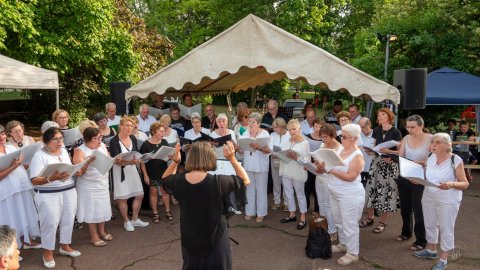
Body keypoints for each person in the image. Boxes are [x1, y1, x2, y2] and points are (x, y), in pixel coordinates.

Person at [162, 141, 250, 270]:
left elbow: (165, 178)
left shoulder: (178, 181)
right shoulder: (218, 181)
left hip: (190, 236)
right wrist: (232, 158)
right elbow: (245, 180)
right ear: (210, 157)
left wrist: (176, 161)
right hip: (216, 236)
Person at [413, 133, 469, 270]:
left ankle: (444, 258)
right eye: (433, 142)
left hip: (448, 198)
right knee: (430, 223)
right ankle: (431, 250)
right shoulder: (430, 157)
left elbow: (465, 183)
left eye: (438, 142)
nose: (433, 145)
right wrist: (417, 178)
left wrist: (451, 184)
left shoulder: (455, 160)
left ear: (447, 145)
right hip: (429, 195)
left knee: (446, 227)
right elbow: (427, 173)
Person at [30, 127, 81, 268]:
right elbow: (34, 179)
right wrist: (51, 178)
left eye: (61, 138)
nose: (60, 142)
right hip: (48, 195)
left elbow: (68, 168)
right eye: (56, 139)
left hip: (69, 190)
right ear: (47, 141)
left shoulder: (64, 151)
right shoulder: (39, 155)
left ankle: (65, 246)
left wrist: (75, 171)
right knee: (50, 223)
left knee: (68, 218)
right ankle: (47, 253)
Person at [317, 124, 365, 265]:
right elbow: (332, 167)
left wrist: (330, 170)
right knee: (338, 221)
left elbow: (350, 176)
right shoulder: (341, 150)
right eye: (341, 136)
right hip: (335, 191)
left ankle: (352, 253)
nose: (341, 138)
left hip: (350, 194)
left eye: (344, 136)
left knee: (350, 224)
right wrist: (323, 168)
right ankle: (343, 244)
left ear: (354, 138)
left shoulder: (358, 155)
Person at [0, 125, 41, 252]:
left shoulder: (10, 147)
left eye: (2, 134)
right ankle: (10, 251)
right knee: (9, 218)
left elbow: (21, 165)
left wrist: (25, 164)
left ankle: (26, 241)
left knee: (22, 215)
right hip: (6, 191)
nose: (1, 137)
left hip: (21, 187)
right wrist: (14, 166)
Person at [361, 108, 402, 233]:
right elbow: (375, 147)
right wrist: (371, 151)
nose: (380, 116)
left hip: (390, 165)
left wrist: (390, 153)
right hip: (377, 163)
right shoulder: (377, 130)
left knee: (386, 194)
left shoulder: (396, 131)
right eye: (378, 115)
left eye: (383, 114)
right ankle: (370, 218)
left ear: (389, 117)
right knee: (371, 190)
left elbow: (401, 151)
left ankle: (383, 222)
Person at [73, 127, 113, 247]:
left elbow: (108, 160)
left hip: (102, 183)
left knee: (102, 208)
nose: (99, 140)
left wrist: (115, 160)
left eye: (100, 137)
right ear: (87, 139)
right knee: (91, 210)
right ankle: (93, 236)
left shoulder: (102, 146)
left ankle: (101, 231)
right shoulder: (79, 150)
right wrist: (88, 162)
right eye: (95, 138)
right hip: (88, 186)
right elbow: (78, 173)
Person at [397, 115, 431, 251]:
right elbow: (401, 156)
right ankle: (406, 232)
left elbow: (435, 160)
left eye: (412, 127)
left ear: (421, 126)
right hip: (405, 175)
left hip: (421, 178)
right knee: (405, 208)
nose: (409, 130)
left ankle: (421, 240)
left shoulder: (431, 139)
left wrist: (419, 163)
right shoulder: (405, 138)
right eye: (407, 127)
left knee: (419, 210)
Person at [108, 117, 149, 232]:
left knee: (140, 194)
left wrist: (142, 158)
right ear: (121, 126)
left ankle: (135, 219)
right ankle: (126, 221)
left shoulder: (133, 138)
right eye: (127, 125)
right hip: (120, 172)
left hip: (132, 170)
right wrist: (131, 162)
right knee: (123, 198)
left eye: (131, 126)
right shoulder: (114, 141)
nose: (130, 128)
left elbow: (135, 153)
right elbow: (117, 161)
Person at [239, 112, 271, 222]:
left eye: (253, 122)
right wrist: (237, 148)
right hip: (248, 165)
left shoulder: (265, 134)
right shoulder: (245, 134)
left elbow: (269, 151)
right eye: (249, 121)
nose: (250, 124)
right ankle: (250, 212)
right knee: (249, 189)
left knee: (261, 190)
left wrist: (259, 148)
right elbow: (242, 151)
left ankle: (261, 213)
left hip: (261, 166)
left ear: (258, 123)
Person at [279, 119, 310, 230]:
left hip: (298, 171)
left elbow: (307, 161)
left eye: (294, 129)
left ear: (299, 129)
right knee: (288, 193)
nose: (292, 131)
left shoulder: (304, 142)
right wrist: (278, 155)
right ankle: (292, 214)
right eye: (290, 129)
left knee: (300, 194)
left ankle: (302, 217)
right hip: (286, 169)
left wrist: (296, 158)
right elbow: (282, 152)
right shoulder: (287, 140)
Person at [140, 122, 173, 223]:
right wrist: (145, 175)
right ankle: (155, 212)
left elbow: (168, 157)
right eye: (161, 131)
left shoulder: (164, 142)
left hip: (163, 171)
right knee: (153, 192)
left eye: (163, 131)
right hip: (151, 172)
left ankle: (168, 211)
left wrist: (170, 157)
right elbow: (142, 161)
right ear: (154, 132)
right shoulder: (146, 144)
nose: (163, 133)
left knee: (165, 191)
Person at [313, 124, 340, 240]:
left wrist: (323, 166)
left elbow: (337, 167)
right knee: (321, 204)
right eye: (322, 137)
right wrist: (315, 164)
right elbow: (317, 158)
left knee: (329, 206)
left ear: (332, 135)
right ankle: (324, 227)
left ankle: (332, 231)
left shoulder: (339, 148)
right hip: (319, 176)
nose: (323, 140)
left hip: (330, 179)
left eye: (325, 137)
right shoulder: (322, 144)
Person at [269, 118, 290, 211]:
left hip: (286, 162)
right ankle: (276, 201)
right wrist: (272, 153)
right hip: (275, 160)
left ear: (281, 127)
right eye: (273, 127)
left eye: (275, 127)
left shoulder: (289, 135)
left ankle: (287, 203)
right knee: (276, 182)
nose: (274, 129)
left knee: (286, 183)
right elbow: (269, 148)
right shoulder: (272, 135)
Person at [304, 119, 322, 214]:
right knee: (307, 187)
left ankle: (316, 209)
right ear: (313, 126)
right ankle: (305, 207)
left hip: (319, 166)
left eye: (320, 127)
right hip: (309, 165)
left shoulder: (324, 138)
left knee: (317, 189)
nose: (318, 129)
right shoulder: (306, 137)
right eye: (316, 126)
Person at [358, 117, 375, 186]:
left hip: (372, 169)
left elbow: (381, 152)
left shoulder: (376, 135)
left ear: (370, 124)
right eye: (360, 127)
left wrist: (374, 153)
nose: (362, 130)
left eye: (364, 127)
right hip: (359, 169)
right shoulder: (358, 136)